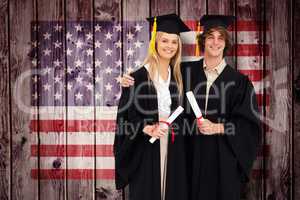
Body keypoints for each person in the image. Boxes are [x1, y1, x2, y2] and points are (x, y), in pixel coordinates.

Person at [121, 14, 261, 200]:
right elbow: (157, 71)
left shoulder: (239, 82)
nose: (215, 42)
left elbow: (249, 126)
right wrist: (128, 80)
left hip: (223, 159)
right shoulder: (184, 72)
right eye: (210, 36)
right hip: (187, 158)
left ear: (226, 43)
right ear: (203, 40)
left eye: (221, 37)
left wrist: (217, 127)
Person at [113, 13, 190, 200]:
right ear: (155, 42)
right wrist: (146, 128)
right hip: (147, 150)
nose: (169, 46)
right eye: (164, 40)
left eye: (174, 42)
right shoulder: (136, 78)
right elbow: (124, 120)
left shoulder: (180, 77)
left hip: (175, 150)